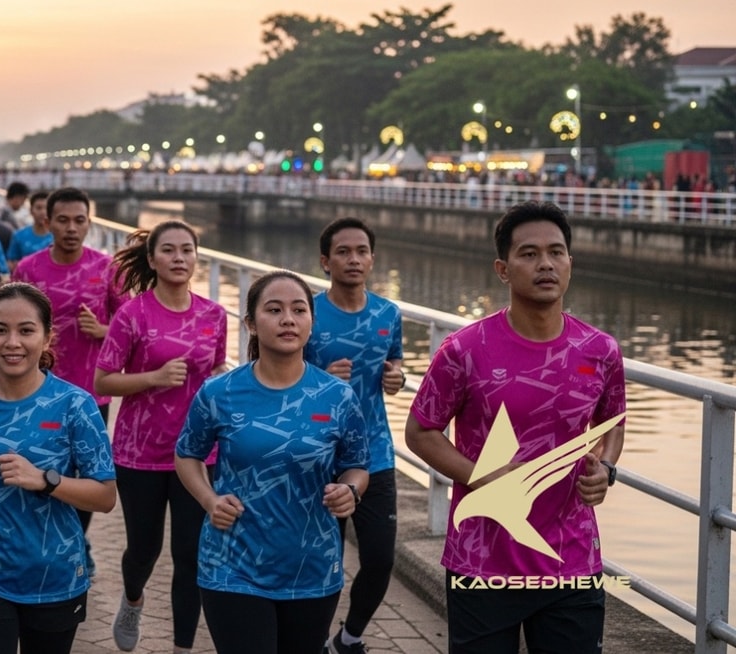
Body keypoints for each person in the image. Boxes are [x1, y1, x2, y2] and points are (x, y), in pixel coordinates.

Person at [404, 201, 626, 654]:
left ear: (570, 263)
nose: (545, 263)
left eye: (556, 252)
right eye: (528, 254)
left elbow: (611, 421)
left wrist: (605, 468)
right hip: (483, 560)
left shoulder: (600, 350)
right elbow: (420, 431)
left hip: (572, 560)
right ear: (503, 269)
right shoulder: (464, 349)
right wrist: (482, 476)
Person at [175, 270, 369, 654]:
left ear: (311, 322)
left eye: (299, 310)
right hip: (233, 564)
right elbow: (187, 454)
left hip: (312, 566)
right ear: (250, 323)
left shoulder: (338, 396)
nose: (288, 319)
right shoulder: (220, 392)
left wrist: (350, 490)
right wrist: (209, 500)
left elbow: (357, 465)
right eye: (274, 309)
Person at [0, 282, 117, 654]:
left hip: (53, 572)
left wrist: (45, 480)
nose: (12, 342)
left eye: (26, 330)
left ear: (48, 337)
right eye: (0, 330)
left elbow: (104, 496)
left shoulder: (75, 405)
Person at [94, 220, 227, 653]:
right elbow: (104, 381)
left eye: (187, 250)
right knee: (143, 551)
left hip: (198, 453)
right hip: (140, 453)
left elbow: (216, 374)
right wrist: (152, 377)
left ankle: (182, 647)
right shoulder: (132, 314)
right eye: (168, 251)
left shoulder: (214, 315)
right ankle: (133, 599)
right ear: (151, 259)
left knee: (190, 555)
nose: (178, 258)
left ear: (196, 257)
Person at [11, 186, 129, 577]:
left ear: (89, 223)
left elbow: (131, 328)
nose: (71, 228)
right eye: (63, 220)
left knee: (86, 476)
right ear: (48, 222)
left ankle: (76, 540)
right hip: (36, 391)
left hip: (90, 393)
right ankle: (48, 544)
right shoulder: (28, 269)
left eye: (79, 220)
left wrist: (103, 329)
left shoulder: (106, 267)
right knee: (43, 470)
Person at [305, 218, 404, 654]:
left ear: (372, 259)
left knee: (380, 558)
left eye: (361, 251)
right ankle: (309, 641)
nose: (354, 259)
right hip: (317, 456)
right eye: (343, 252)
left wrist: (397, 377)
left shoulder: (388, 313)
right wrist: (319, 379)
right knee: (322, 561)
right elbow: (281, 376)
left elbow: (395, 363)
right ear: (326, 262)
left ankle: (350, 637)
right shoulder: (306, 312)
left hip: (374, 454)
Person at [6, 190, 52, 269]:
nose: (43, 212)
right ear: (31, 210)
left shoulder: (58, 236)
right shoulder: (19, 236)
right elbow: (11, 263)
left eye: (46, 208)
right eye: (38, 208)